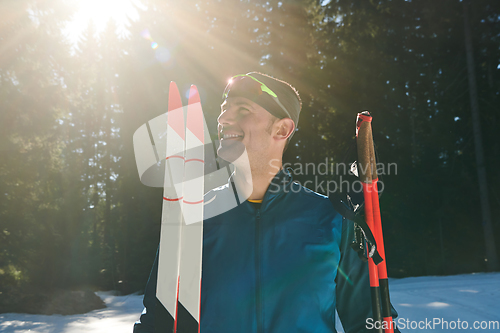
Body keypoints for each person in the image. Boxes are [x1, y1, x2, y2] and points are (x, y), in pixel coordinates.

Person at [134, 72, 399, 332]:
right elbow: (157, 321)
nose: (223, 118)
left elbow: (368, 322)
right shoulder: (192, 217)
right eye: (224, 109)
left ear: (282, 129)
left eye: (243, 110)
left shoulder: (333, 220)